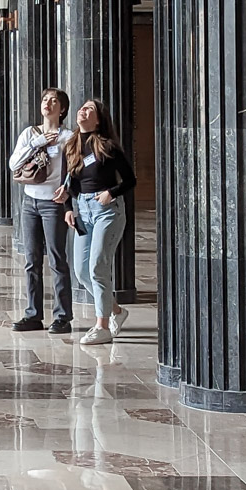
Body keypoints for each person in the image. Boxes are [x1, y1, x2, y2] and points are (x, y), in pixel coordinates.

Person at [62, 99, 137, 348]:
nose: (82, 111)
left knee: (97, 267)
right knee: (81, 271)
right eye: (82, 107)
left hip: (107, 210)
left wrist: (111, 192)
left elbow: (130, 180)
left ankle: (102, 327)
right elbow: (68, 183)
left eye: (89, 109)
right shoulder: (71, 145)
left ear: (98, 120)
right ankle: (116, 310)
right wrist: (68, 208)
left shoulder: (107, 146)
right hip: (83, 210)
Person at [9, 88, 73, 333]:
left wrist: (68, 191)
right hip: (30, 202)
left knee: (57, 259)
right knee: (31, 260)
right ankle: (33, 315)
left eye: (54, 101)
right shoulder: (30, 133)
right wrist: (38, 143)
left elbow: (75, 169)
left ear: (62, 109)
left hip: (53, 204)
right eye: (45, 99)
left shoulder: (68, 136)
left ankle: (62, 317)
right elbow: (14, 164)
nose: (48, 103)